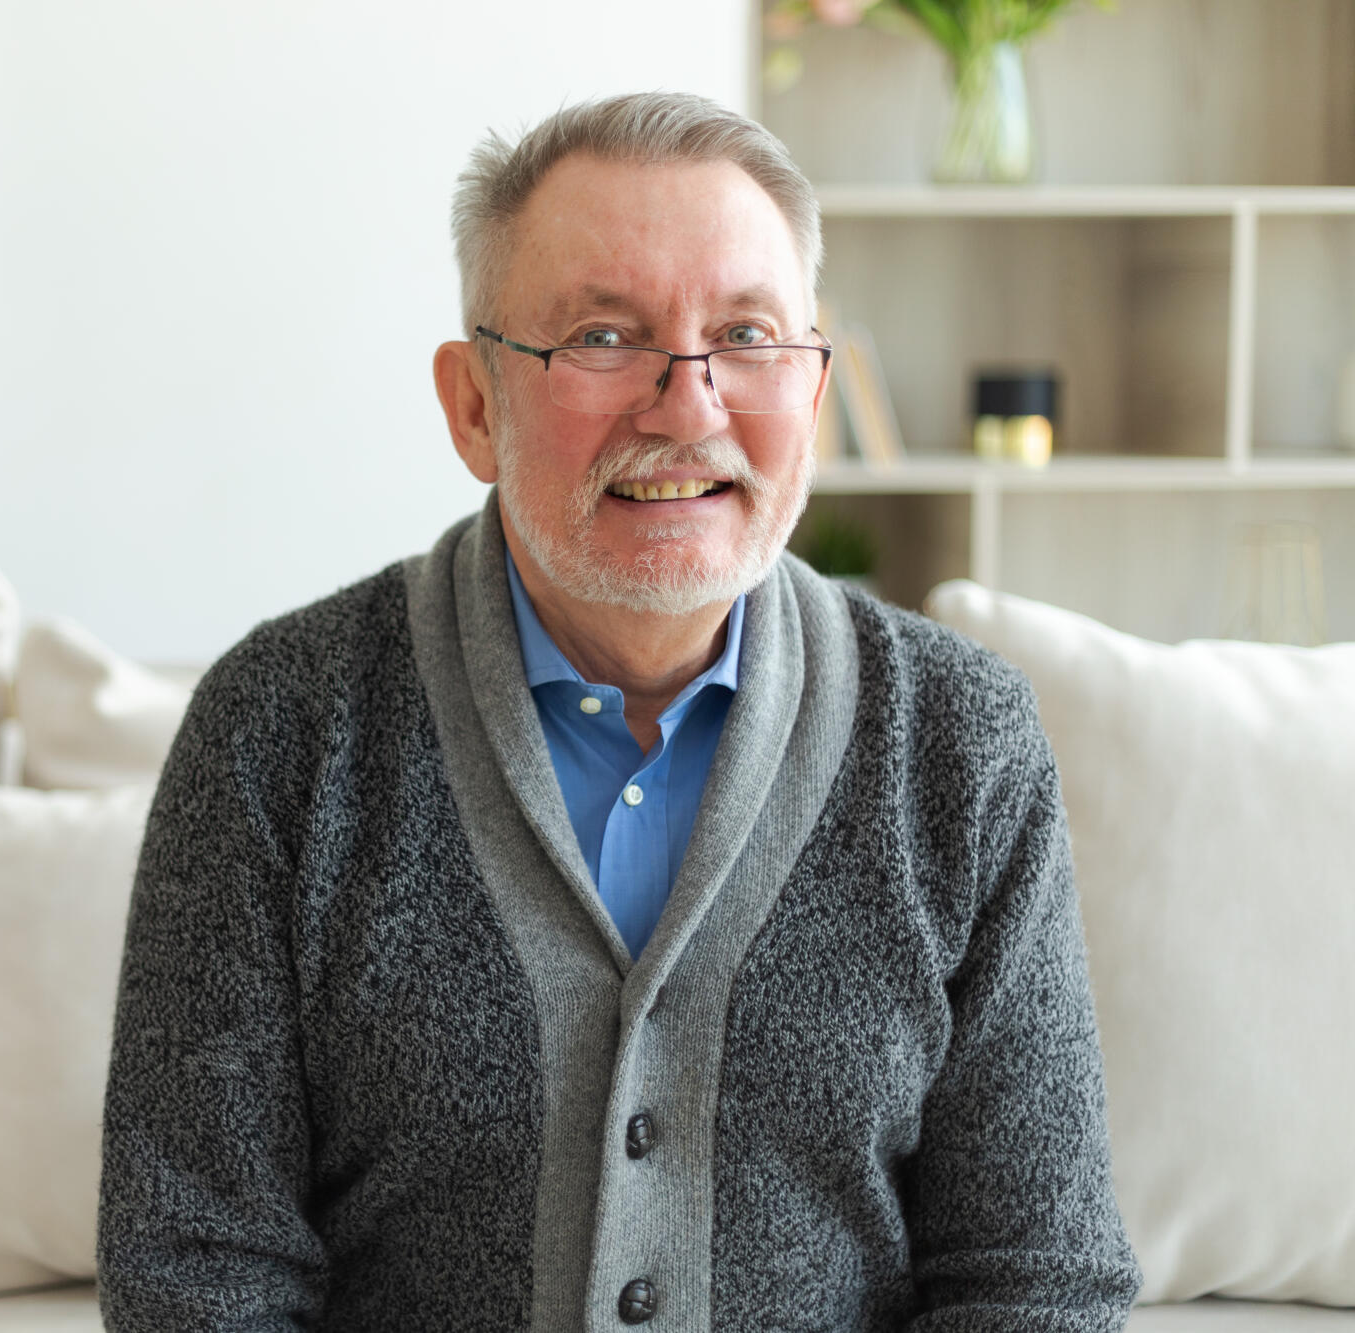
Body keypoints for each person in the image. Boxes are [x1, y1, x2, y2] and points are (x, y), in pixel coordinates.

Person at [95, 91, 1141, 1332]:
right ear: (473, 405)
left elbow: (1034, 1278)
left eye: (746, 334)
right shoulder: (273, 731)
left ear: (809, 387)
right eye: (602, 336)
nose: (686, 405)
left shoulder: (960, 744)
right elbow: (196, 1275)